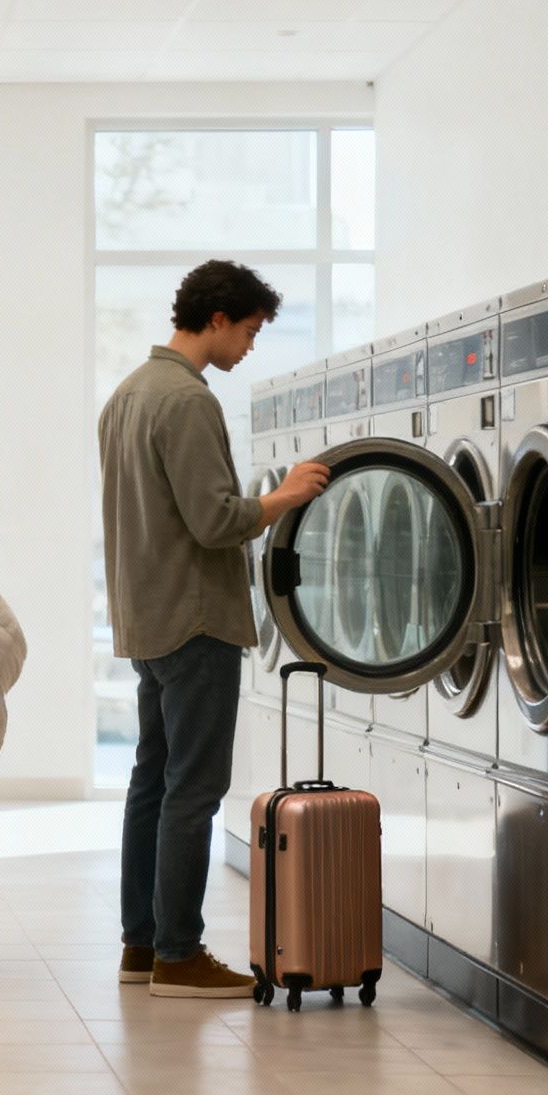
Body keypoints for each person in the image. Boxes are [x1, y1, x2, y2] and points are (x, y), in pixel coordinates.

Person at [96, 260, 330, 998]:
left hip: (146, 612)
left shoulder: (126, 395)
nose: (251, 348)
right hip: (196, 618)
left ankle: (142, 947)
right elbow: (214, 520)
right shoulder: (187, 400)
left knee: (151, 783)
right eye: (252, 331)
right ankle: (180, 954)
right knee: (194, 789)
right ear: (220, 317)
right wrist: (284, 497)